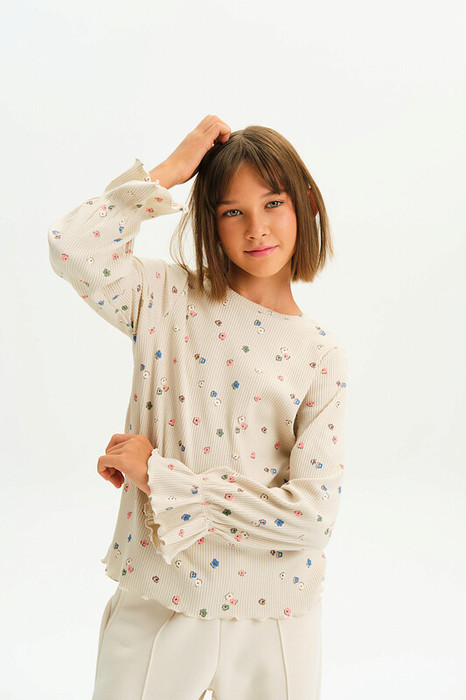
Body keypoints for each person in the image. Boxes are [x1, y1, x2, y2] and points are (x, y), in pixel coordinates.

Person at [48, 114, 349, 700]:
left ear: (306, 204)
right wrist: (169, 170)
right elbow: (72, 246)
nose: (256, 228)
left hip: (274, 615)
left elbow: (313, 518)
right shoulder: (163, 298)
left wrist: (165, 480)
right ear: (210, 220)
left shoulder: (319, 354)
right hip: (161, 596)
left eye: (273, 203)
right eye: (232, 211)